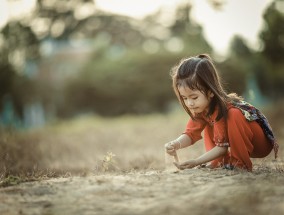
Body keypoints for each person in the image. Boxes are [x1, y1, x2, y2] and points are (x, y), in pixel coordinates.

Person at [165, 54, 279, 171]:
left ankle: (240, 164)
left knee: (233, 114)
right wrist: (175, 144)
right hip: (240, 143)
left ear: (210, 92)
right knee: (210, 124)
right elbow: (190, 134)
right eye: (184, 98)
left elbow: (221, 148)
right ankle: (219, 162)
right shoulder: (200, 109)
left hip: (260, 144)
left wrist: (196, 162)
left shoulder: (223, 109)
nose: (190, 103)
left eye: (194, 97)